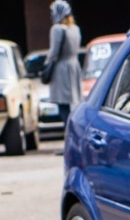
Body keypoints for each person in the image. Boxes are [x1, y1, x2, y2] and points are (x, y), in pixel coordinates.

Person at [46, 0, 82, 130]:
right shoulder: (75, 29)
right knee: (73, 105)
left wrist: (46, 64)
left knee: (63, 106)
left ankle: (68, 138)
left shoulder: (56, 29)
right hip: (74, 67)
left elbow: (54, 52)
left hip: (61, 70)